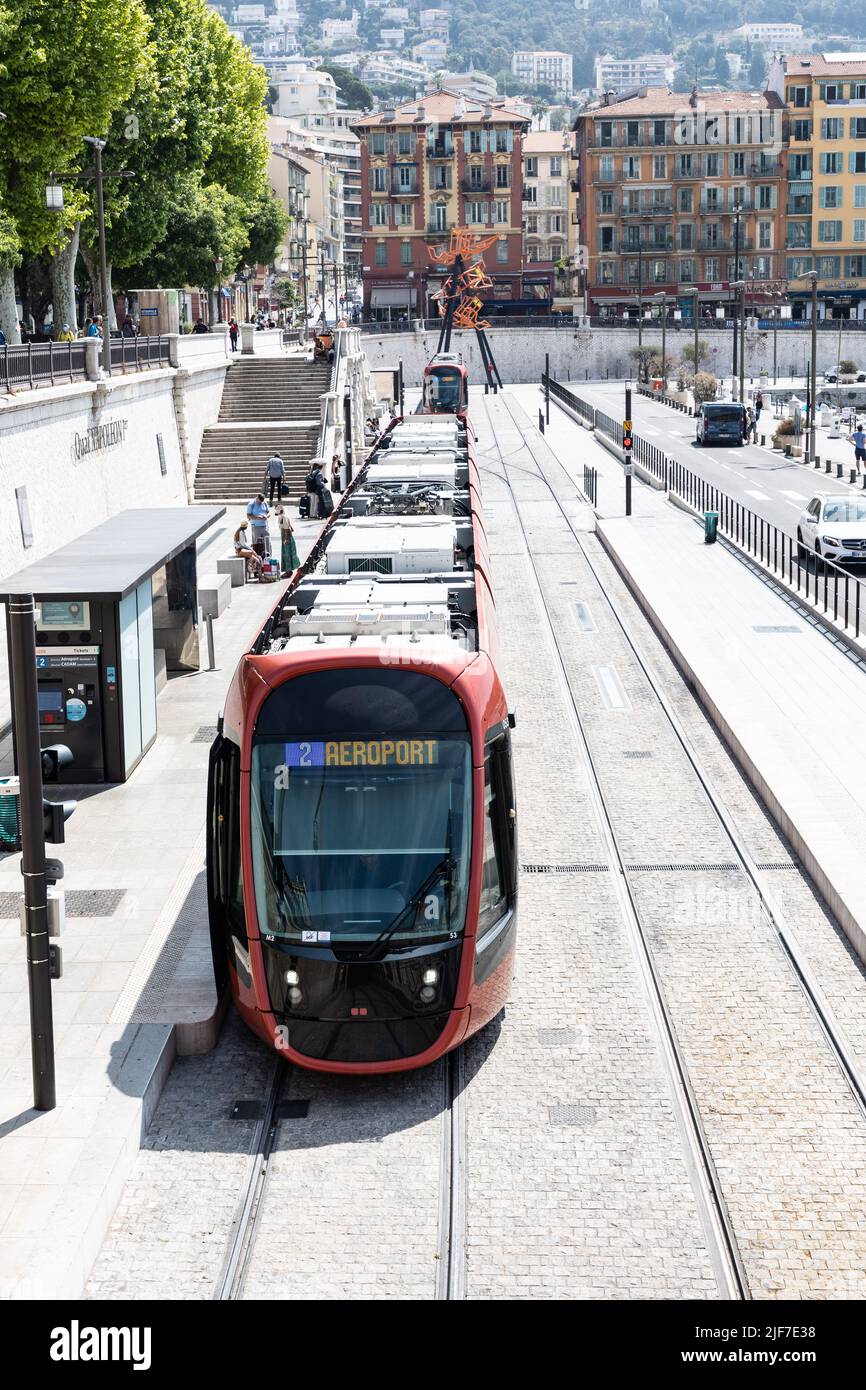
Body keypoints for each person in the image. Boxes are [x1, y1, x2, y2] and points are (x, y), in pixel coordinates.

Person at [275, 504, 299, 577]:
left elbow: (287, 529)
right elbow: (290, 527)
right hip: (285, 536)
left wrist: (286, 539)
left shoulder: (283, 518)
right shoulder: (282, 517)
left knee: (287, 555)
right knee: (287, 554)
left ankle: (288, 571)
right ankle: (289, 570)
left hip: (286, 538)